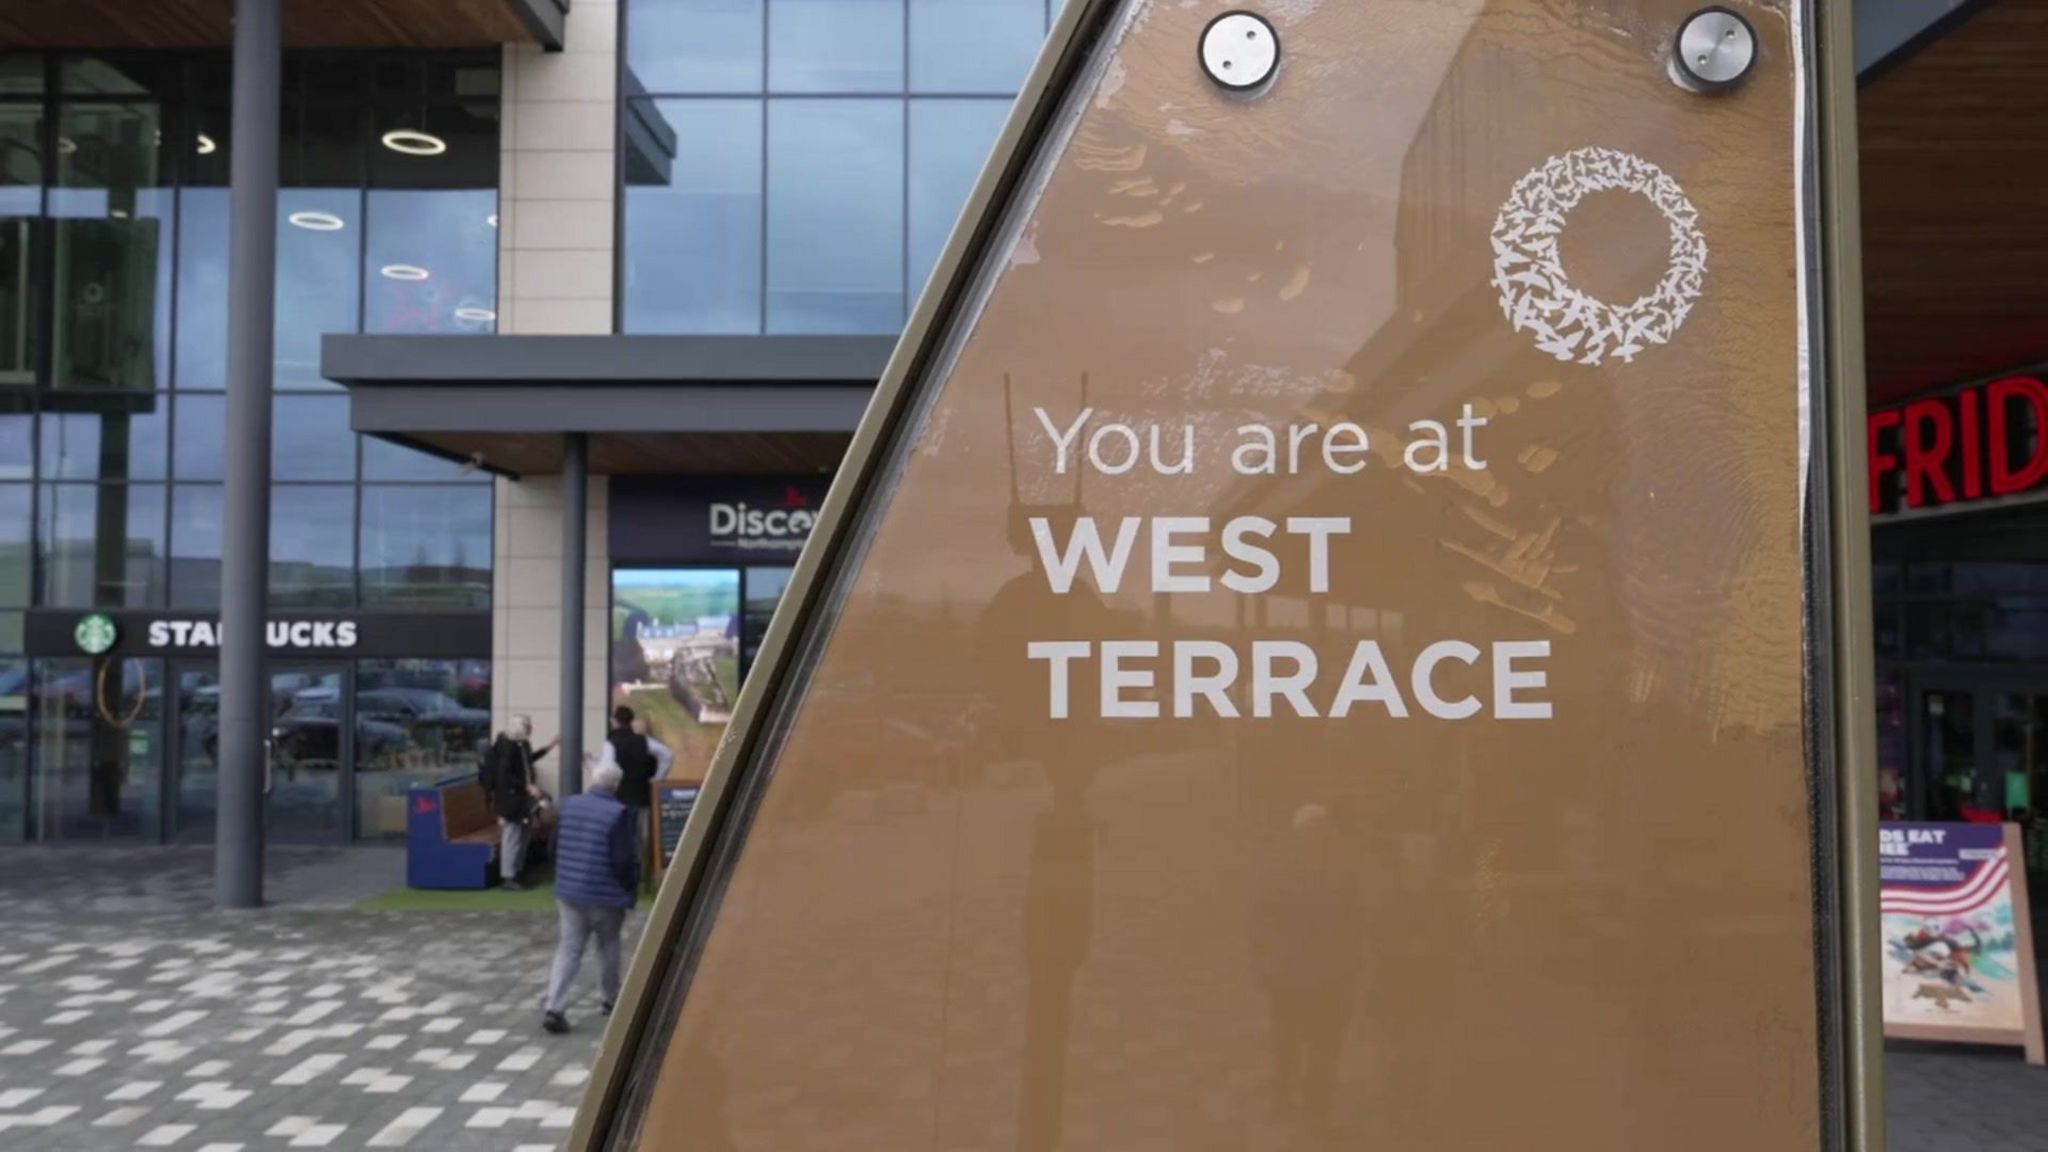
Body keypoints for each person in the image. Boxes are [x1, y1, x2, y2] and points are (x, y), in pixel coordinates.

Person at [542, 758, 638, 1034]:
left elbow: (553, 847)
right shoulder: (619, 813)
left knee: (569, 948)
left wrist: (563, 874)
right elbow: (623, 860)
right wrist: (628, 889)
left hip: (570, 892)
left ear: (592, 780)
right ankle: (610, 999)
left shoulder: (569, 805)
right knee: (608, 945)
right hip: (606, 895)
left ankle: (554, 1006)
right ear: (616, 786)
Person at [485, 714, 557, 891]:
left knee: (522, 834)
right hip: (511, 800)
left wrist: (548, 747)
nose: (530, 730)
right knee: (512, 836)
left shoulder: (521, 744)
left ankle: (516, 872)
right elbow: (505, 775)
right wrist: (527, 786)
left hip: (520, 798)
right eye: (527, 727)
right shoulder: (507, 746)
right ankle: (509, 876)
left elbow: (527, 761)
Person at [606, 706, 660, 864]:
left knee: (623, 835)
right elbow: (666, 757)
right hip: (642, 796)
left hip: (621, 797)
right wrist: (657, 779)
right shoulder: (646, 744)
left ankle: (625, 866)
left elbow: (607, 769)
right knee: (641, 837)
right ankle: (640, 869)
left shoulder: (613, 743)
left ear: (615, 720)